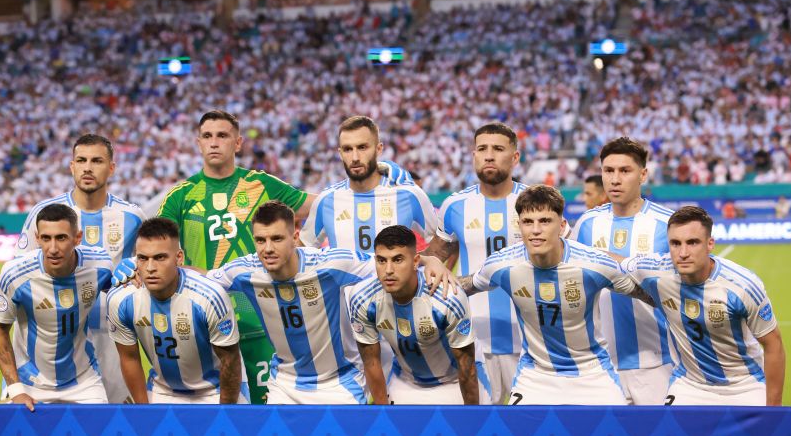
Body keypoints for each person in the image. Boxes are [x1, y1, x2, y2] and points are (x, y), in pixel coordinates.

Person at [152, 110, 414, 405]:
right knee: (226, 409)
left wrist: (380, 183)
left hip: (261, 322)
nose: (214, 143)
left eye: (222, 135)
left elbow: (327, 204)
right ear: (198, 143)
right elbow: (158, 252)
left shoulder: (262, 185)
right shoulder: (180, 196)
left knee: (266, 408)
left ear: (238, 143)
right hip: (206, 319)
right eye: (208, 136)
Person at [461, 185, 653, 405]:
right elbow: (464, 286)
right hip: (535, 376)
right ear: (519, 226)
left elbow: (650, 295)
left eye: (544, 221)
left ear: (562, 226)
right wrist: (430, 265)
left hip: (592, 374)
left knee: (613, 435)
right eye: (527, 222)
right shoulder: (501, 265)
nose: (535, 230)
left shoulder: (594, 264)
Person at [15, 134, 146, 404]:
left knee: (110, 428)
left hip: (111, 338)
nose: (88, 167)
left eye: (97, 161)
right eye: (81, 160)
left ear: (111, 168)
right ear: (71, 166)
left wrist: (136, 268)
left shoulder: (132, 217)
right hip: (53, 341)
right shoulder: (45, 213)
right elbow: (20, 276)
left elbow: (149, 270)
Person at [207, 201, 375, 404]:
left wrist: (425, 261)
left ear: (295, 238)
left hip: (340, 382)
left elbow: (388, 265)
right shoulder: (244, 272)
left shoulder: (331, 263)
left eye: (277, 239)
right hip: (284, 384)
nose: (268, 248)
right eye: (260, 240)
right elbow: (201, 284)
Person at [622, 206, 785, 406]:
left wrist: (774, 413)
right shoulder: (655, 271)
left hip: (744, 385)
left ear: (710, 244)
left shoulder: (743, 286)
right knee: (668, 434)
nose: (682, 252)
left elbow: (773, 344)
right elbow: (613, 263)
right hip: (689, 385)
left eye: (692, 243)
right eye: (675, 243)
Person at [422, 122, 527, 404]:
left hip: (529, 341)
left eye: (498, 149)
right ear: (473, 155)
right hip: (473, 340)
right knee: (479, 427)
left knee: (528, 430)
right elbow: (434, 258)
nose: (489, 156)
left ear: (515, 157)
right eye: (482, 149)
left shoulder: (533, 203)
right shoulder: (455, 205)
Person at [569, 137, 675, 405]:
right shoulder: (587, 224)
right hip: (600, 365)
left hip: (656, 362)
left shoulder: (665, 224)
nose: (615, 179)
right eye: (608, 170)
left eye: (624, 171)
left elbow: (678, 289)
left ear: (643, 175)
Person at [0, 204, 114, 409]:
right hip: (28, 382)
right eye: (46, 238)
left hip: (84, 381)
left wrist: (131, 275)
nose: (53, 248)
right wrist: (16, 389)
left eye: (61, 238)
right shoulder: (15, 274)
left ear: (77, 237)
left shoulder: (100, 265)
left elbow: (122, 291)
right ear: (37, 238)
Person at [107, 218, 244, 404]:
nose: (150, 268)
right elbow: (129, 358)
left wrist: (223, 414)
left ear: (179, 258)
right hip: (161, 392)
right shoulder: (120, 298)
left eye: (160, 257)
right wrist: (142, 412)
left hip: (214, 391)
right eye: (143, 258)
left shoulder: (209, 296)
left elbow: (230, 361)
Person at [349, 226, 482, 405]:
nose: (388, 270)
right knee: (392, 431)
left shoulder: (447, 299)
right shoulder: (362, 299)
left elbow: (467, 369)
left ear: (415, 261)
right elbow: (371, 362)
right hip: (406, 382)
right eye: (381, 260)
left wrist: (471, 420)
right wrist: (383, 415)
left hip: (454, 380)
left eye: (397, 260)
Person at [300, 115, 438, 252]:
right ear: (340, 153)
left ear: (378, 149)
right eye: (348, 149)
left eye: (362, 147)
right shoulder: (326, 200)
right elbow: (303, 249)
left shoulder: (409, 195)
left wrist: (420, 263)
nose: (355, 158)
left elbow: (441, 241)